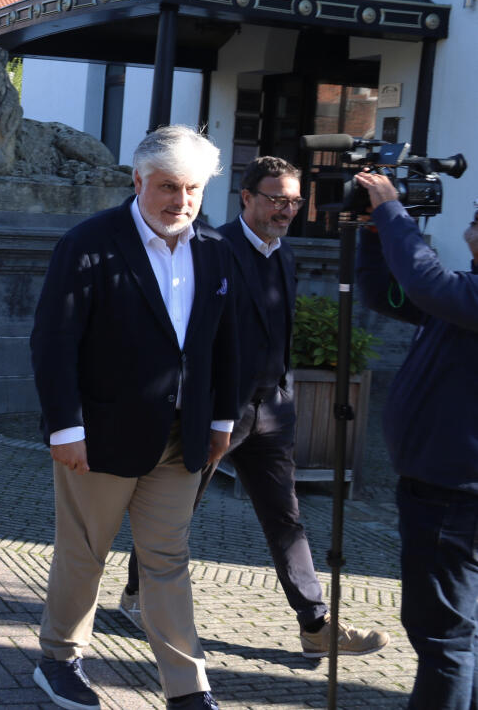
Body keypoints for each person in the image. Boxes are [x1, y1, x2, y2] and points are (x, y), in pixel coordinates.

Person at [120, 156, 389, 659]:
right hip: (217, 412)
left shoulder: (284, 255)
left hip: (272, 411)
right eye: (275, 199)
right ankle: (136, 596)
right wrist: (207, 410)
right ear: (245, 198)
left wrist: (281, 391)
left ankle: (315, 626)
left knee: (284, 518)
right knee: (174, 513)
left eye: (293, 200)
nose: (287, 210)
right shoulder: (210, 249)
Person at [29, 124, 237, 710]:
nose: (182, 202)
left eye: (193, 189)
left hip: (183, 440)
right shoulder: (89, 243)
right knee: (85, 552)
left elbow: (226, 344)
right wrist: (65, 427)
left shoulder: (215, 249)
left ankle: (187, 687)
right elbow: (53, 341)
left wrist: (222, 420)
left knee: (167, 559)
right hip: (98, 438)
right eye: (169, 187)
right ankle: (60, 659)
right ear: (138, 180)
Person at [355, 170, 478, 709]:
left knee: (443, 636)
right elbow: (391, 293)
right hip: (445, 486)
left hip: (453, 493)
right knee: (457, 632)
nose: (473, 217)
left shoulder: (463, 294)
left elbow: (428, 284)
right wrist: (374, 233)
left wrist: (392, 211)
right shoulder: (467, 291)